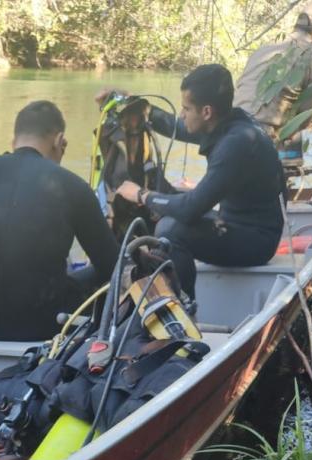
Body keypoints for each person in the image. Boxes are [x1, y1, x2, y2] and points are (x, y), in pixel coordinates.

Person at [97, 64, 286, 307]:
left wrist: (142, 194)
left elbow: (190, 209)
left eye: (186, 108)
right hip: (234, 223)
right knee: (162, 214)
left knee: (171, 230)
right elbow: (176, 126)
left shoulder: (236, 143)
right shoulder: (228, 122)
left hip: (256, 242)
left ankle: (184, 310)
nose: (182, 114)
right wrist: (132, 102)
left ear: (207, 111)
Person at [0, 100, 119, 341]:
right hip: (42, 324)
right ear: (60, 141)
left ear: (13, 142)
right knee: (110, 279)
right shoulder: (70, 184)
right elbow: (111, 265)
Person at [234, 1, 312, 146]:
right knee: (293, 135)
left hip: (229, 128)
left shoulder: (265, 48)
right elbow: (307, 118)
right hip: (260, 138)